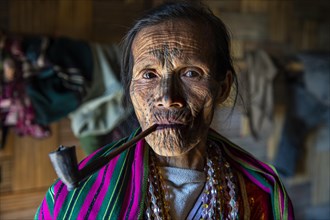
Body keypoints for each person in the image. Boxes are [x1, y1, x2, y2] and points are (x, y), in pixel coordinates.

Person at [35, 2, 294, 219]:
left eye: (191, 73)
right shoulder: (74, 199)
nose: (168, 98)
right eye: (149, 74)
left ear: (222, 87)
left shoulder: (261, 193)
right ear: (130, 89)